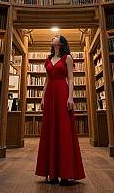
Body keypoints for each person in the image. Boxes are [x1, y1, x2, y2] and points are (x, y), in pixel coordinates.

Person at [35, 35, 86, 185]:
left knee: (63, 131)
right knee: (49, 130)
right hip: (50, 94)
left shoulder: (67, 58)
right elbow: (46, 80)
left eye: (56, 37)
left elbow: (70, 79)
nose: (53, 38)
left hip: (62, 93)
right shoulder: (48, 58)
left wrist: (70, 97)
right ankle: (52, 173)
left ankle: (65, 173)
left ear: (61, 43)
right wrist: (42, 97)